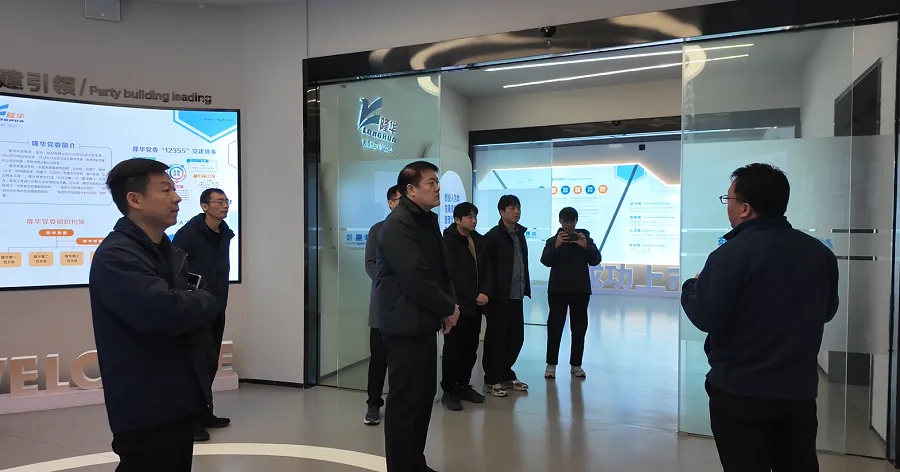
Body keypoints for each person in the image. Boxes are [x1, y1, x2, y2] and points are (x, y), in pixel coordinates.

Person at [681, 163, 839, 472]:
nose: (728, 206)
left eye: (729, 199)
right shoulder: (819, 254)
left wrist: (691, 287)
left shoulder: (730, 255)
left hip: (740, 394)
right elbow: (827, 311)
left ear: (745, 209)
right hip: (798, 394)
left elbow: (706, 316)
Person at [89, 158, 218, 472]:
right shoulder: (117, 255)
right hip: (145, 403)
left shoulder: (167, 252)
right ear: (134, 200)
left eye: (174, 189)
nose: (176, 198)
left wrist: (195, 302)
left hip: (177, 398)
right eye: (165, 190)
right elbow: (165, 311)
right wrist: (203, 301)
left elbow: (188, 302)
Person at [376, 161, 459, 472]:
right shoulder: (398, 225)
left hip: (423, 322)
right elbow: (416, 276)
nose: (438, 188)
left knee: (424, 397)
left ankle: (415, 463)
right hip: (404, 326)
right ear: (410, 190)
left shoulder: (427, 220)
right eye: (431, 183)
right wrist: (448, 308)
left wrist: (447, 307)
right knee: (405, 403)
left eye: (437, 182)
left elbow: (440, 269)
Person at [172, 188, 235, 441]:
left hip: (217, 307)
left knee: (209, 362)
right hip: (194, 309)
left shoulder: (224, 233)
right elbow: (175, 271)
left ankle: (204, 412)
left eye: (226, 201)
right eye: (219, 201)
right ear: (204, 206)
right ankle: (190, 421)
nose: (225, 205)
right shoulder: (187, 234)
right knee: (194, 365)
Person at [540, 207, 602, 379]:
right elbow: (545, 261)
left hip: (580, 291)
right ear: (560, 221)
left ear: (576, 221)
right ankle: (551, 365)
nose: (569, 225)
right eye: (565, 221)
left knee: (579, 328)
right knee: (555, 328)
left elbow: (596, 260)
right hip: (557, 291)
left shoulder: (584, 239)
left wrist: (586, 246)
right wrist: (556, 246)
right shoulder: (553, 240)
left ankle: (576, 365)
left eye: (572, 221)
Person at [440, 202, 491, 411]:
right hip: (458, 304)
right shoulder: (448, 241)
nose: (474, 220)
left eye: (475, 216)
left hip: (477, 305)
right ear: (457, 219)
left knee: (471, 348)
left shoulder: (478, 239)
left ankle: (463, 385)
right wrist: (474, 294)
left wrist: (484, 292)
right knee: (454, 349)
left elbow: (486, 269)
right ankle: (449, 390)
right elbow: (454, 274)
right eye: (469, 217)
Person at [481, 194, 531, 398]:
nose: (516, 211)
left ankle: (505, 373)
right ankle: (491, 380)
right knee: (496, 339)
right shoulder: (493, 236)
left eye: (518, 207)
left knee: (516, 337)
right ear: (501, 211)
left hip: (516, 294)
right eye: (511, 208)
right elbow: (486, 267)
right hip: (498, 297)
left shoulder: (520, 234)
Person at [363, 185, 401, 425]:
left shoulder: (415, 230)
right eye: (399, 200)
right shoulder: (377, 230)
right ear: (390, 203)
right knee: (378, 360)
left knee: (402, 363)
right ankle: (373, 404)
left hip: (407, 309)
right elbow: (370, 264)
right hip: (383, 306)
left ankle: (399, 405)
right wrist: (391, 283)